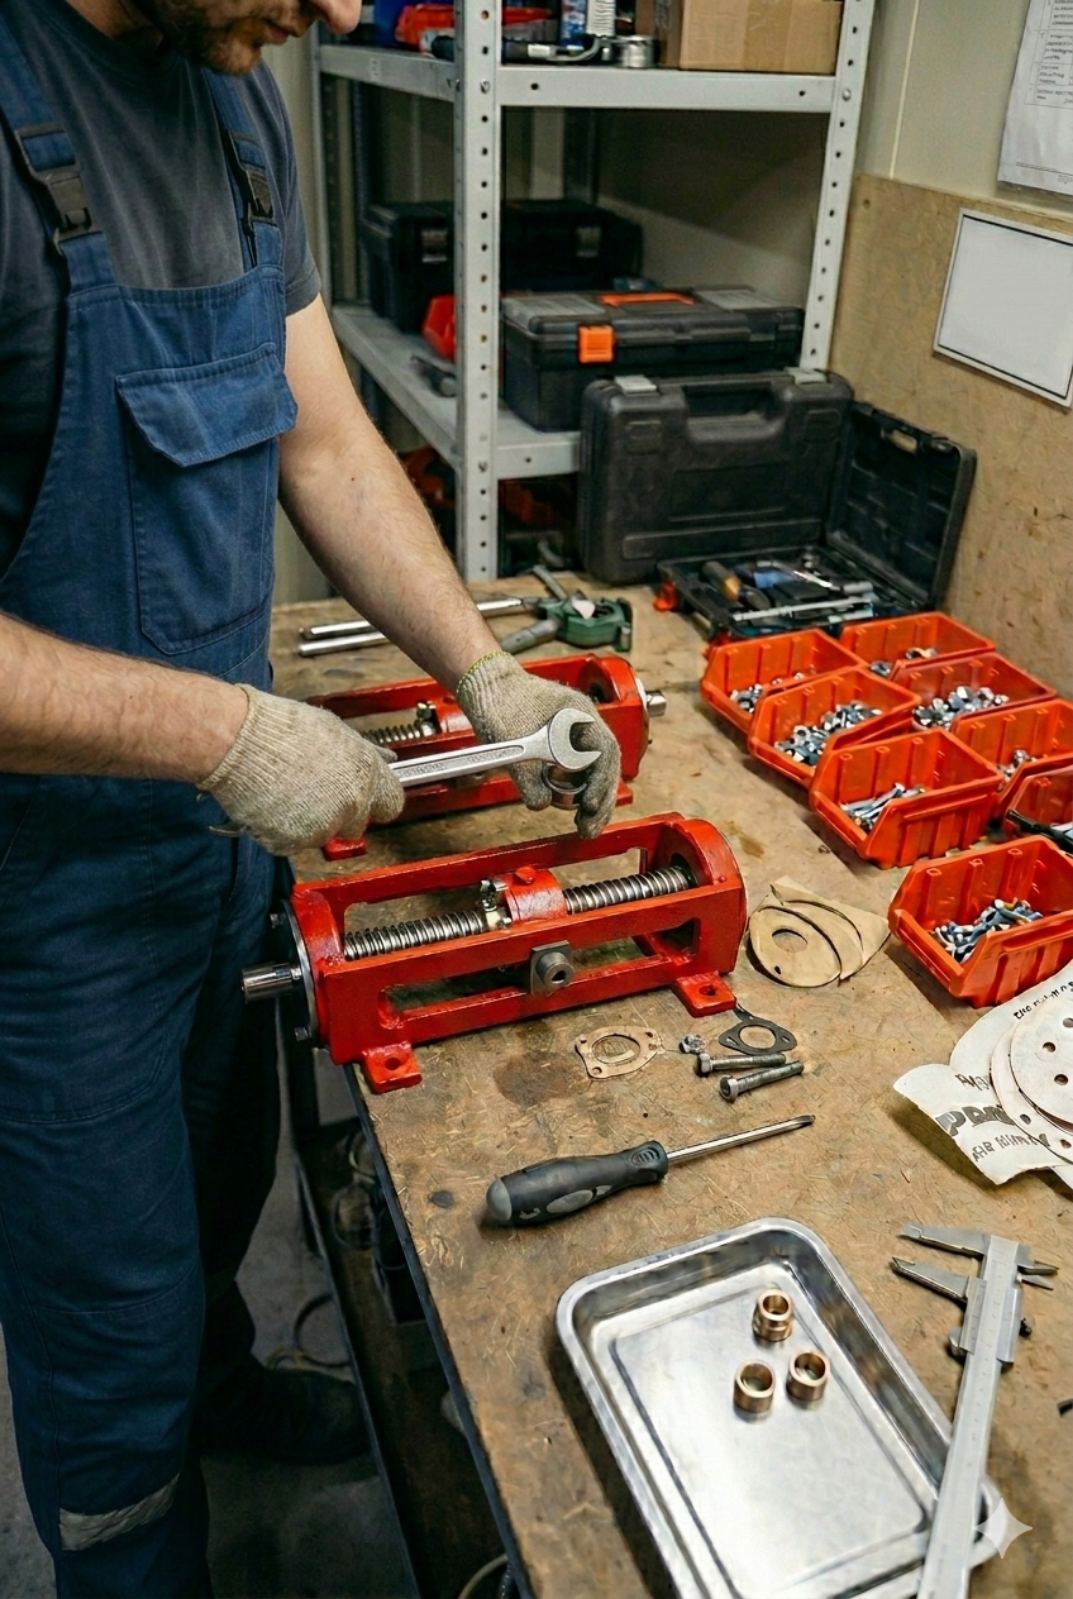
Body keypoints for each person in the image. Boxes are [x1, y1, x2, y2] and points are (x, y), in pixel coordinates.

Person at [0, 1, 621, 1591]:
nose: (345, 11)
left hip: (219, 856)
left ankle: (213, 1390)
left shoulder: (235, 98)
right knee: (105, 1316)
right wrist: (217, 732)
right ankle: (134, 1545)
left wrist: (483, 672)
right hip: (42, 905)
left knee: (219, 1192)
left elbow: (327, 439)